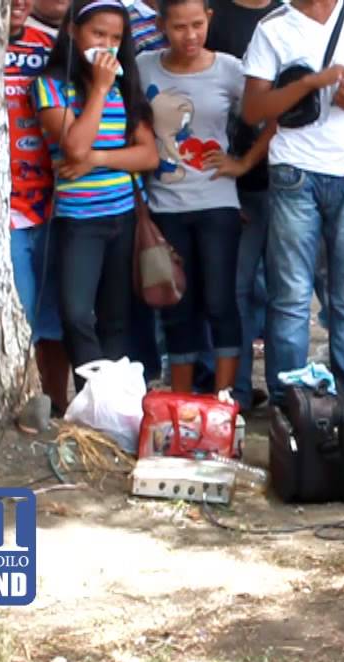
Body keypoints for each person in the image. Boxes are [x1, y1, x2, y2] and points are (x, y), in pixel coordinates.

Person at [241, 0, 344, 440]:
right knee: (291, 297)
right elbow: (253, 109)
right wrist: (314, 83)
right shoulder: (273, 27)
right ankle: (289, 404)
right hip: (293, 171)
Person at [139, 0, 269, 394]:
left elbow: (270, 115)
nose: (190, 35)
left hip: (218, 205)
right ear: (162, 25)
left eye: (198, 24)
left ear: (210, 19)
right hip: (164, 206)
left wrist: (243, 163)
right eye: (179, 27)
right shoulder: (144, 66)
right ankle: (181, 401)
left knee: (220, 301)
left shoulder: (229, 69)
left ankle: (225, 400)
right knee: (178, 307)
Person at [34, 0, 159, 380]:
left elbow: (148, 154)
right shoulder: (51, 85)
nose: (106, 45)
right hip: (78, 218)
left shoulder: (127, 84)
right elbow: (73, 146)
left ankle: (115, 405)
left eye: (116, 38)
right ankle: (93, 393)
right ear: (73, 30)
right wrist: (101, 90)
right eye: (98, 34)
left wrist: (99, 159)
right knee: (75, 313)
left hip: (122, 214)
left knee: (116, 317)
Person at [206, 0, 277, 411]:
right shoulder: (212, 16)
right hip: (233, 185)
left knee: (290, 295)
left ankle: (291, 397)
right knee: (236, 289)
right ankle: (237, 394)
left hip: (289, 178)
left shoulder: (290, 15)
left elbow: (283, 110)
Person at [8, 0, 70, 422]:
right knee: (19, 316)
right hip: (0, 211)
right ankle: (18, 403)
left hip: (53, 201)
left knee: (54, 314)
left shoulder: (54, 45)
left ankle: (56, 406)